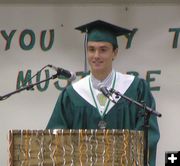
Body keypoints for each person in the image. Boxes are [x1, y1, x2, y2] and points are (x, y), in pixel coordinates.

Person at [46, 20, 160, 166]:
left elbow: (148, 136)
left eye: (103, 49)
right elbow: (55, 137)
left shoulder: (135, 88)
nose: (96, 55)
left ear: (115, 53)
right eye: (91, 49)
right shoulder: (72, 94)